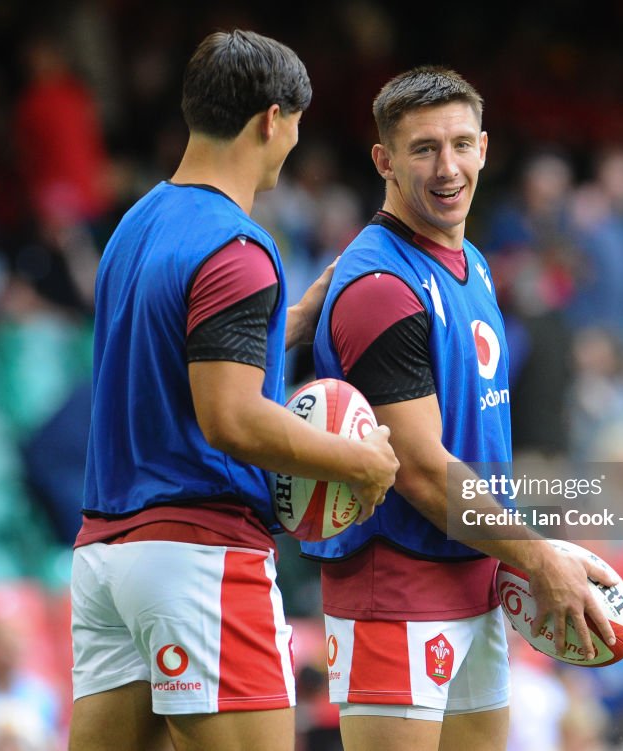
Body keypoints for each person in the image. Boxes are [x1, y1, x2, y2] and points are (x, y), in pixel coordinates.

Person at [67, 30, 398, 751]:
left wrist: (293, 323)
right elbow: (230, 418)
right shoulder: (238, 247)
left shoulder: (134, 225)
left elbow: (173, 365)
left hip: (106, 555)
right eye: (297, 125)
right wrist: (360, 464)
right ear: (272, 119)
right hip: (199, 554)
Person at [301, 66, 615, 751]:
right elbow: (419, 470)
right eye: (424, 149)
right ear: (384, 159)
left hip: (474, 581)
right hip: (396, 590)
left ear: (485, 148)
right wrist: (539, 557)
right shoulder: (382, 286)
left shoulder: (468, 258)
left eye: (461, 144)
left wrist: (515, 556)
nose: (448, 168)